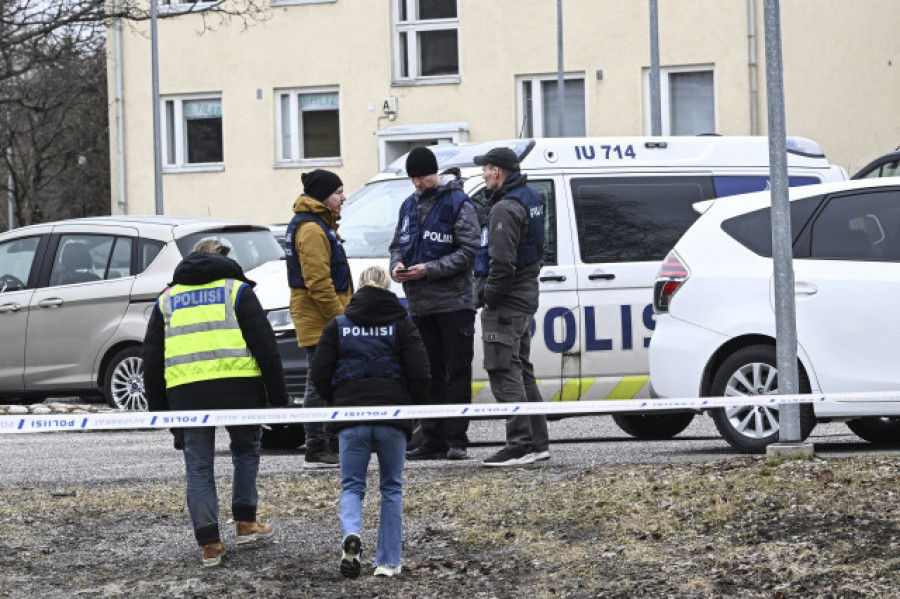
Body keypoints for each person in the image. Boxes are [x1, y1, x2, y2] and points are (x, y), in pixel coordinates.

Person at [143, 240, 289, 567]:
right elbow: (266, 348)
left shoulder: (167, 299)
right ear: (224, 261)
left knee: (198, 468)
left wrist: (162, 413)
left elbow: (150, 360)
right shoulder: (237, 291)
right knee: (246, 450)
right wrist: (279, 399)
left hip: (186, 394)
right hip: (240, 390)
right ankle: (246, 522)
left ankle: (210, 544)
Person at [309, 266, 431, 579]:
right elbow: (420, 372)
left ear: (358, 289)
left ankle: (353, 535)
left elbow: (319, 373)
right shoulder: (402, 324)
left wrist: (338, 400)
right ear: (388, 288)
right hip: (392, 415)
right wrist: (410, 405)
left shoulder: (338, 325)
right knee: (391, 488)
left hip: (352, 416)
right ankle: (387, 563)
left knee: (352, 486)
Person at [389, 147, 480, 461]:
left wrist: (430, 270)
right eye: (413, 178)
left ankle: (457, 440)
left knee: (456, 373)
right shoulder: (408, 206)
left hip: (455, 305)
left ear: (435, 173)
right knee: (428, 375)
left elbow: (469, 251)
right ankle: (432, 439)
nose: (417, 183)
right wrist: (397, 267)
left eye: (422, 177)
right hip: (420, 306)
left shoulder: (459, 203)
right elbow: (397, 246)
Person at [472, 147, 551, 467]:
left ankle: (519, 444)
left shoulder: (505, 207)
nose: (483, 174)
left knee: (503, 369)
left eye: (486, 169)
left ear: (498, 171)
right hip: (523, 295)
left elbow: (501, 262)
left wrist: (489, 296)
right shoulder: (529, 198)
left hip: (506, 301)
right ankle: (537, 442)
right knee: (521, 370)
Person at [285, 169, 353, 468]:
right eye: (338, 191)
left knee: (329, 380)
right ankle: (316, 445)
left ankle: (330, 443)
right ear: (324, 195)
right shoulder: (312, 229)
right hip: (321, 318)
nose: (343, 197)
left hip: (322, 316)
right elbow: (319, 283)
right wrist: (340, 319)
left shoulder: (317, 224)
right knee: (318, 382)